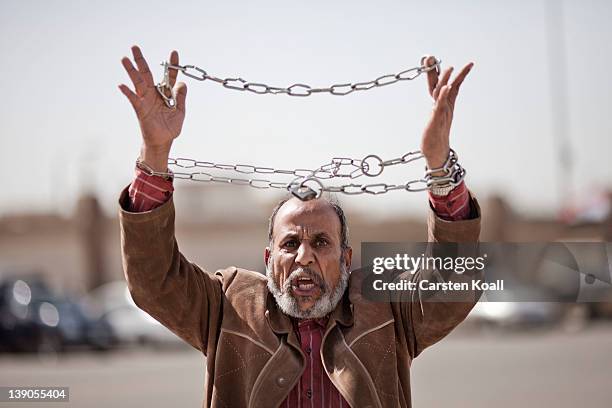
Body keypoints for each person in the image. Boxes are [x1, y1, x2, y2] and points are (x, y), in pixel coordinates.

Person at [118, 45, 481, 408]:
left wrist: (439, 168)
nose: (304, 257)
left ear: (345, 257)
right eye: (290, 243)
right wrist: (155, 153)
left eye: (322, 243)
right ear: (268, 256)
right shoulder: (228, 305)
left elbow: (454, 283)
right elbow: (154, 280)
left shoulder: (384, 307)